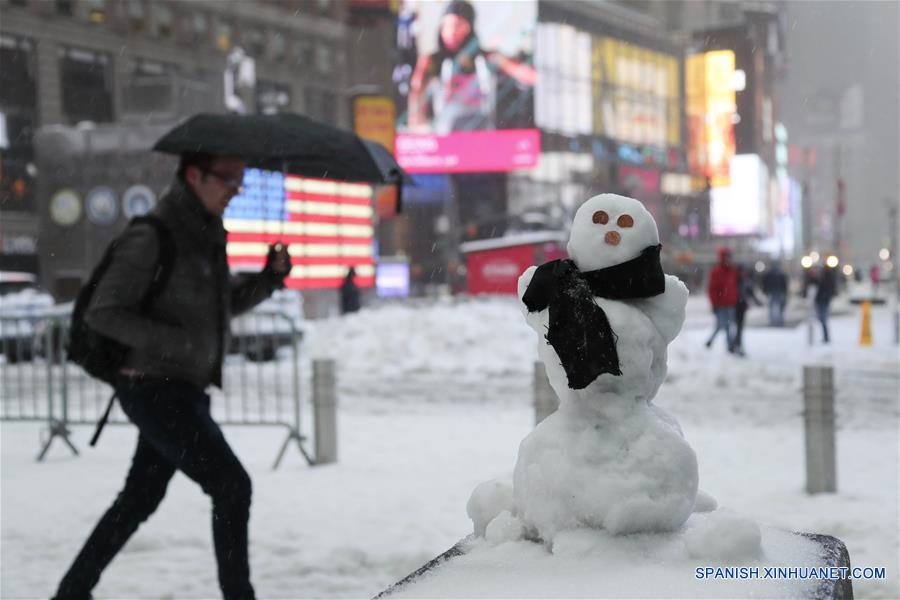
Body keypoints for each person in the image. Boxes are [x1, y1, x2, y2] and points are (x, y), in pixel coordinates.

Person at [53, 153, 291, 600]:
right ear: (194, 174)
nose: (235, 189)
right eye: (228, 179)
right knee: (232, 486)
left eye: (240, 180)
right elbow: (104, 312)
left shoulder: (204, 237)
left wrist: (269, 279)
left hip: (180, 388)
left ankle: (71, 592)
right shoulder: (152, 236)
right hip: (152, 387)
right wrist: (173, 341)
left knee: (139, 499)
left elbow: (219, 309)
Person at [406, 0, 536, 134]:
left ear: (469, 27)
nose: (451, 32)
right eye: (446, 25)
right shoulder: (431, 61)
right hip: (445, 135)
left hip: (481, 133)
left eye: (457, 25)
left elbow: (523, 73)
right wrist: (416, 123)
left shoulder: (487, 58)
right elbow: (416, 92)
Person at [705, 247, 739, 353]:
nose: (730, 259)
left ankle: (722, 344)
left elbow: (735, 286)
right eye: (728, 257)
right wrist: (715, 303)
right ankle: (727, 345)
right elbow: (712, 289)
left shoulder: (733, 271)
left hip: (731, 304)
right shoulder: (716, 272)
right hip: (721, 305)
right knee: (723, 325)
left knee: (725, 325)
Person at [733, 264, 764, 356]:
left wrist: (758, 302)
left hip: (741, 307)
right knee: (734, 327)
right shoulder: (736, 280)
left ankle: (737, 345)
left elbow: (751, 293)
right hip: (735, 306)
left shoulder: (746, 281)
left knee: (739, 328)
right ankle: (735, 345)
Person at [805, 264, 838, 343]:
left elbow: (829, 288)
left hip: (823, 300)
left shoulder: (826, 277)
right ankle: (824, 337)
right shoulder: (821, 278)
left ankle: (826, 337)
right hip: (821, 300)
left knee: (823, 319)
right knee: (821, 319)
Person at [762, 262, 789, 326]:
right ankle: (779, 321)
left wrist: (766, 291)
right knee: (779, 308)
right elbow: (784, 284)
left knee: (773, 307)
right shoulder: (780, 274)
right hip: (778, 291)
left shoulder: (770, 274)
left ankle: (774, 321)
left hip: (774, 292)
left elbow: (765, 283)